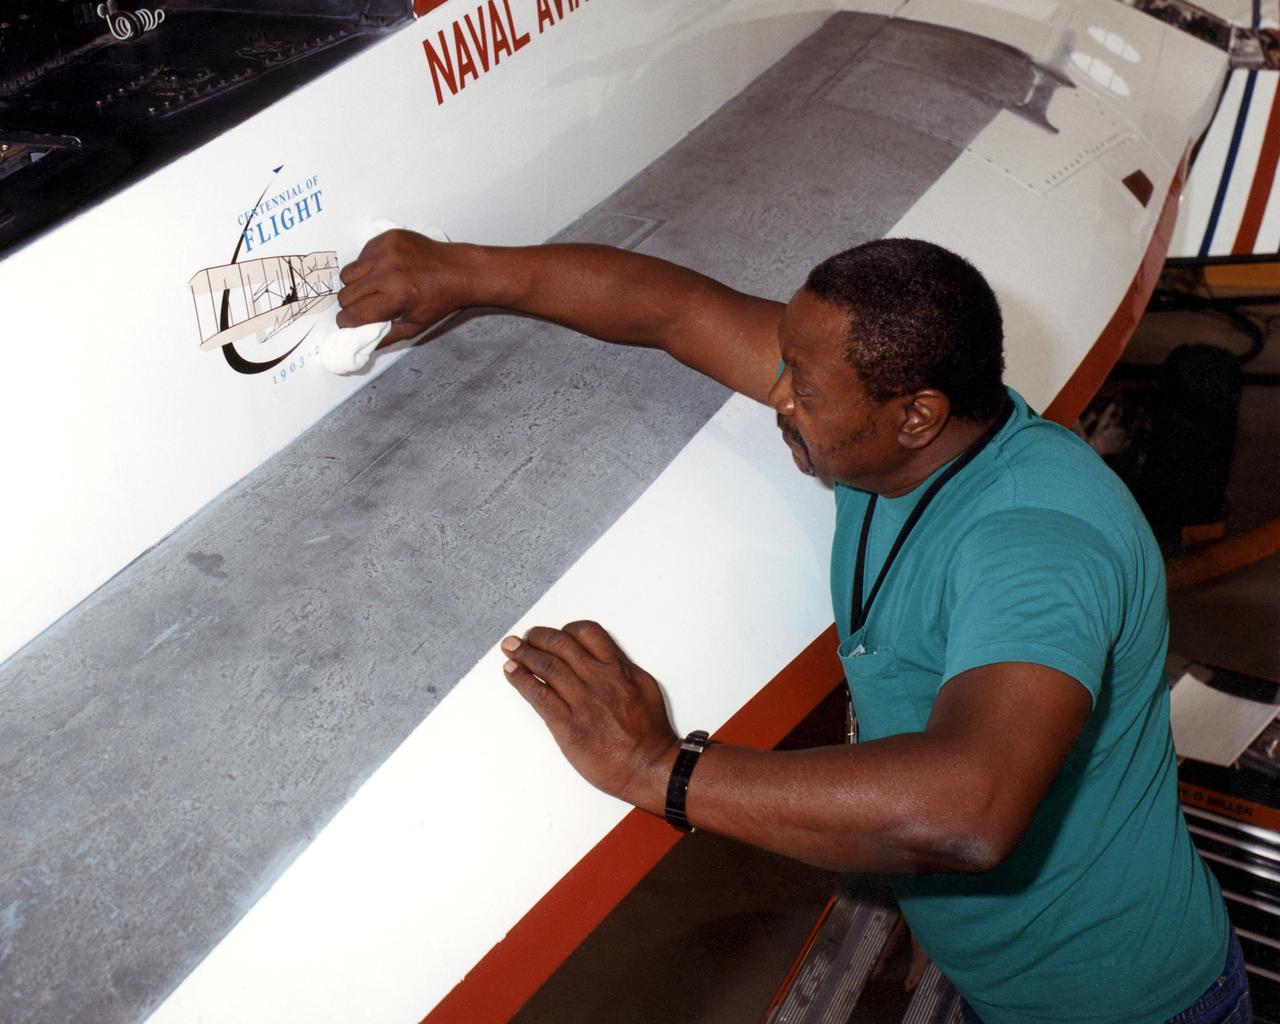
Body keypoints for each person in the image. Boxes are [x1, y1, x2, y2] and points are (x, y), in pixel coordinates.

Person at [336, 232, 1247, 1024]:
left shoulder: (1034, 543)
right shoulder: (897, 426)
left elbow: (969, 809)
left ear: (916, 415)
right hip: (1004, 980)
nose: (779, 396)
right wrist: (462, 270)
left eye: (803, 388)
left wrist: (661, 768)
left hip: (1121, 1002)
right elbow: (672, 309)